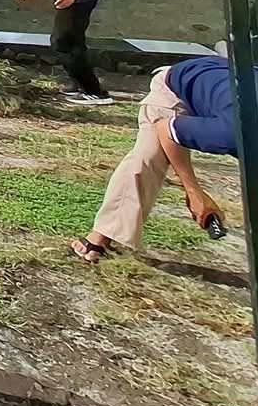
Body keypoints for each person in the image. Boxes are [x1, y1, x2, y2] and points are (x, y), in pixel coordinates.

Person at [71, 55, 234, 261]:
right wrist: (195, 193)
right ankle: (101, 235)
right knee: (148, 156)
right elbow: (165, 130)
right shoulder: (231, 133)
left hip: (219, 77)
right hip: (174, 86)